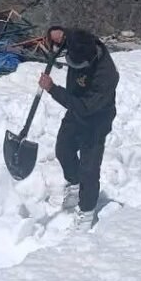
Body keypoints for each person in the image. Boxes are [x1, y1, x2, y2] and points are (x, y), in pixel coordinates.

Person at [39, 26, 119, 230]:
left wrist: (52, 89)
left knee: (89, 169)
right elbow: (63, 33)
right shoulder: (78, 41)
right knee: (63, 149)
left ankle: (87, 211)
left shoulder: (106, 75)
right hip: (76, 111)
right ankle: (74, 185)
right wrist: (54, 33)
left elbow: (85, 107)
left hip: (96, 119)